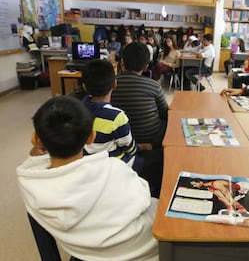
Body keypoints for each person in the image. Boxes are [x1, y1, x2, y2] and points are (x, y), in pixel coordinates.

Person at [16, 96, 159, 260]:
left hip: (85, 254)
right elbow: (144, 197)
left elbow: (32, 165)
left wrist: (36, 149)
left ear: (35, 139)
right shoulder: (113, 168)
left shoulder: (31, 185)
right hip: (144, 249)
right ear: (91, 137)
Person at [111, 42, 168, 197]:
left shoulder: (110, 84)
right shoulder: (153, 86)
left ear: (122, 62)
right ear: (146, 66)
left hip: (119, 142)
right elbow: (164, 113)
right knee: (168, 121)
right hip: (150, 140)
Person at [81, 59, 152, 167]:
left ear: (84, 87)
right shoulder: (116, 116)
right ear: (115, 84)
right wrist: (139, 147)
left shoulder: (78, 108)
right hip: (114, 166)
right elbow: (129, 148)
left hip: (88, 163)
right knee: (155, 161)